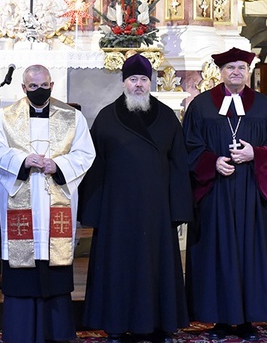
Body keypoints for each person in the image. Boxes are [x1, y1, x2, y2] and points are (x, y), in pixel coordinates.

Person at [80, 55, 192, 342]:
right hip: (117, 211)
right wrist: (94, 212)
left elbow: (179, 164)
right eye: (133, 79)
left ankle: (159, 324)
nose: (139, 85)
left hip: (157, 210)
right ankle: (115, 324)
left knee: (156, 268)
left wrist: (178, 209)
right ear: (123, 83)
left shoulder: (167, 116)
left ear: (150, 82)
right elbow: (95, 167)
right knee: (118, 267)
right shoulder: (106, 117)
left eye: (143, 79)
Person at [183, 47, 267, 341]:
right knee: (216, 252)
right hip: (215, 192)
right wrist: (212, 162)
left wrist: (255, 153)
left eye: (241, 67)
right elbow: (189, 146)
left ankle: (247, 320)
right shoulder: (201, 106)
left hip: (251, 194)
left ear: (249, 71)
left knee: (250, 252)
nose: (236, 72)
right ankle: (217, 319)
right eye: (230, 68)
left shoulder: (265, 107)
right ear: (220, 72)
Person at [0, 64, 95, 342]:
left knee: (54, 265)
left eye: (44, 85)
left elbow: (85, 153)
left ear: (52, 84)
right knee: (22, 268)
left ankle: (57, 332)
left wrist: (58, 165)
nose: (39, 90)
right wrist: (22, 161)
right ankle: (20, 332)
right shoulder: (5, 117)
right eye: (32, 87)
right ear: (23, 88)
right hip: (21, 200)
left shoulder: (73, 117)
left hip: (56, 201)